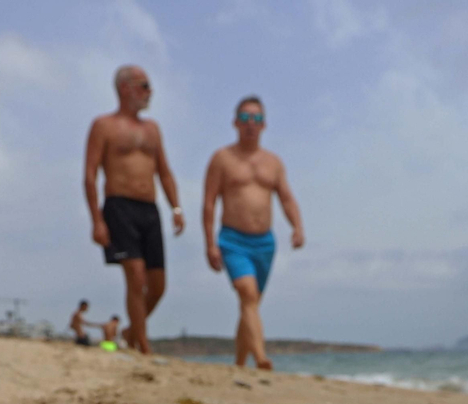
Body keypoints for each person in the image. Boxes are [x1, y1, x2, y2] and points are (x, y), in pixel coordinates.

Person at [84, 64, 184, 355]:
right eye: (145, 85)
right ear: (126, 88)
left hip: (149, 209)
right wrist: (96, 220)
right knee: (135, 275)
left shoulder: (152, 129)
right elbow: (90, 174)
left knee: (158, 285)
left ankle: (131, 331)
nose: (150, 92)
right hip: (119, 207)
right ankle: (143, 344)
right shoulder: (103, 126)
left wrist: (176, 207)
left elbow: (164, 172)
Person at [202, 95, 303, 370]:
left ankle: (238, 363)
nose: (250, 124)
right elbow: (209, 203)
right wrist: (209, 243)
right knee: (247, 295)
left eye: (256, 119)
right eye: (245, 118)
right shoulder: (222, 159)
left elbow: (286, 198)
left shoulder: (273, 162)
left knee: (251, 304)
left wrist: (297, 226)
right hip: (233, 240)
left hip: (264, 243)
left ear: (264, 125)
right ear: (235, 122)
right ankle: (260, 357)